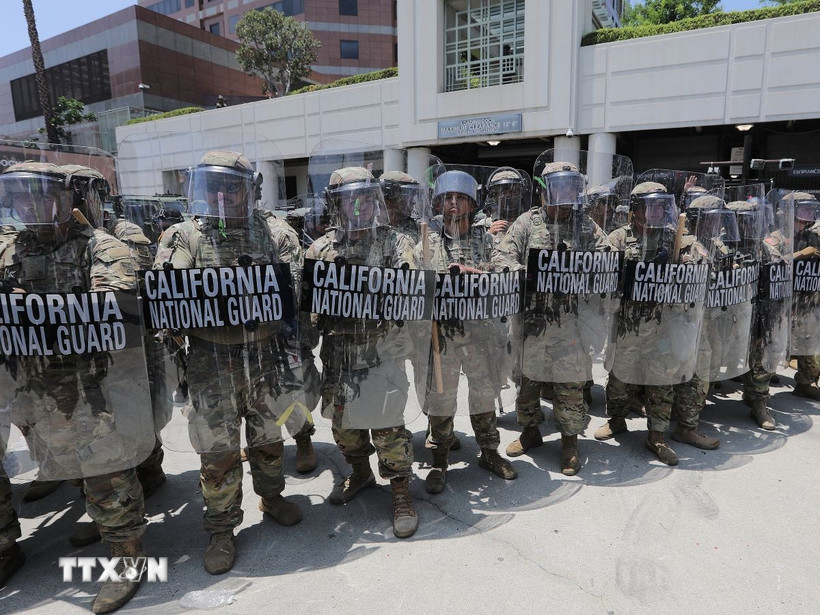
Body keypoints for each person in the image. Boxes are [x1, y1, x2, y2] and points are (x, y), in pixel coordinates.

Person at [0, 161, 153, 612]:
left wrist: (33, 309)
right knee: (49, 465)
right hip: (28, 384)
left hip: (93, 385)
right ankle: (8, 549)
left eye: (40, 194)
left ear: (67, 198)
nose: (31, 205)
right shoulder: (7, 248)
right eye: (21, 195)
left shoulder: (100, 247)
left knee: (106, 473)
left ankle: (126, 559)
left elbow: (113, 313)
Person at [153, 150, 306, 574]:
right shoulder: (183, 236)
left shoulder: (275, 234)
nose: (223, 195)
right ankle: (222, 528)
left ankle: (272, 497)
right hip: (210, 360)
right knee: (217, 451)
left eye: (232, 186)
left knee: (269, 438)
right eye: (214, 186)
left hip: (266, 355)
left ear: (249, 190)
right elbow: (171, 290)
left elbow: (289, 293)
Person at [305, 166, 419, 538]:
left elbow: (410, 283)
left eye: (368, 198)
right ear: (337, 204)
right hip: (340, 357)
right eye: (352, 199)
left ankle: (400, 492)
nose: (361, 207)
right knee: (345, 429)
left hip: (382, 353)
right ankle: (360, 474)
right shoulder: (320, 249)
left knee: (389, 430)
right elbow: (307, 306)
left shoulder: (394, 242)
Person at [494, 156, 618, 475]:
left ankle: (569, 443)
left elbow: (607, 258)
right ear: (544, 192)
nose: (564, 195)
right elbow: (500, 257)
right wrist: (526, 274)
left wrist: (588, 272)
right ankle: (531, 432)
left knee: (570, 388)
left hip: (571, 325)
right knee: (528, 385)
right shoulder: (527, 222)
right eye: (558, 188)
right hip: (531, 325)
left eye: (570, 188)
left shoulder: (585, 224)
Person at [416, 169, 517, 493]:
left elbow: (507, 273)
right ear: (439, 204)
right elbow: (411, 284)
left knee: (483, 395)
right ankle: (440, 461)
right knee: (441, 400)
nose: (454, 204)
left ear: (472, 205)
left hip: (479, 338)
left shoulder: (486, 240)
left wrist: (472, 271)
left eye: (460, 198)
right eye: (448, 198)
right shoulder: (427, 245)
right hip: (441, 340)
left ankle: (489, 452)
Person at [597, 182, 710, 466]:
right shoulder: (619, 239)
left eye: (661, 206)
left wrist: (687, 263)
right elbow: (603, 274)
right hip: (627, 326)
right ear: (635, 209)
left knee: (662, 380)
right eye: (650, 206)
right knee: (620, 378)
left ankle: (657, 436)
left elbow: (698, 260)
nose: (656, 211)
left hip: (663, 328)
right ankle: (617, 419)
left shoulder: (676, 236)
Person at [788, 192, 820, 400]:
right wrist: (800, 254)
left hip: (808, 298)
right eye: (803, 209)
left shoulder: (813, 235)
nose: (807, 215)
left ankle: (806, 381)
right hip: (784, 300)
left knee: (811, 341)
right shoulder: (780, 233)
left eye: (810, 209)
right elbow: (774, 261)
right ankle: (756, 390)